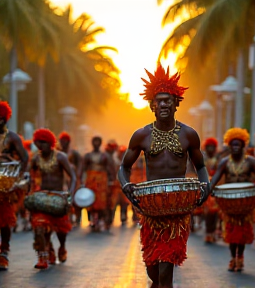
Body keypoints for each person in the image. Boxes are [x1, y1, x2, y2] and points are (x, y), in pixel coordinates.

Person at [118, 64, 210, 288]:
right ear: (152, 105)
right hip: (151, 210)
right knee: (153, 268)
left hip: (178, 210)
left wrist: (205, 185)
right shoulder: (141, 135)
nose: (164, 104)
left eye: (168, 99)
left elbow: (201, 166)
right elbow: (123, 167)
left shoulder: (189, 135)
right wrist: (126, 186)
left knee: (167, 263)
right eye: (159, 100)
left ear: (176, 103)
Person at [210, 128, 255, 272]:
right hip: (230, 202)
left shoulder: (251, 161)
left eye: (238, 145)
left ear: (243, 146)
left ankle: (241, 257)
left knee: (243, 232)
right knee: (232, 233)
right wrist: (209, 188)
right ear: (229, 146)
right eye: (233, 145)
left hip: (246, 202)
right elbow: (215, 178)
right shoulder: (225, 162)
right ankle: (233, 257)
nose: (236, 147)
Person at [30, 128, 76, 269]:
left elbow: (73, 177)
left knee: (61, 231)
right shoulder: (36, 158)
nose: (40, 146)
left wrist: (69, 195)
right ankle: (43, 257)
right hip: (42, 198)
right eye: (38, 143)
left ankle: (61, 247)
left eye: (43, 142)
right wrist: (29, 191)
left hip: (58, 198)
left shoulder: (60, 157)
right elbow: (29, 176)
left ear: (50, 143)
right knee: (39, 226)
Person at [0, 101, 28, 270]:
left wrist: (17, 177)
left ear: (5, 118)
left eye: (0, 118)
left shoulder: (12, 138)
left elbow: (24, 157)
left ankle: (4, 252)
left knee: (4, 219)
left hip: (5, 183)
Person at [80, 136, 114, 231]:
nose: (96, 143)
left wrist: (111, 180)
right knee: (90, 200)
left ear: (100, 143)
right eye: (94, 141)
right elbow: (83, 169)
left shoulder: (105, 156)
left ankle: (100, 219)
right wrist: (81, 181)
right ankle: (92, 220)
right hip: (91, 180)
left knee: (101, 202)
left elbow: (110, 168)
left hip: (102, 181)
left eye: (98, 141)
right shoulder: (87, 156)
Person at [58, 131, 82, 227]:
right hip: (62, 179)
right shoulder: (58, 153)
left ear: (68, 141)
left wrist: (78, 175)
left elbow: (80, 164)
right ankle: (66, 217)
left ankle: (77, 217)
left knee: (75, 198)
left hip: (73, 177)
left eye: (65, 141)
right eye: (61, 141)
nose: (63, 143)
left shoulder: (74, 153)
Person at [202, 137, 219, 243]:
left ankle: (213, 232)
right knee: (208, 212)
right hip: (205, 187)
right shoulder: (202, 159)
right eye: (208, 147)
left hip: (216, 187)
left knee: (215, 212)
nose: (210, 149)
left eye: (212, 147)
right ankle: (208, 232)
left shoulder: (218, 159)